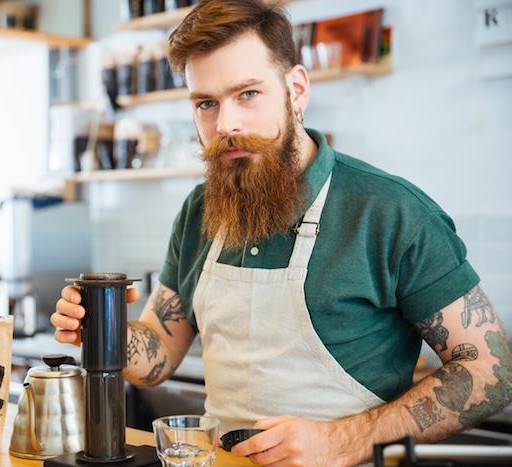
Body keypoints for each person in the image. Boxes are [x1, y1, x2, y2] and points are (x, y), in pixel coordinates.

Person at [52, 1, 512, 465]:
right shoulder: (200, 210)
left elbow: (491, 371)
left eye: (247, 94)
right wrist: (100, 330)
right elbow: (158, 356)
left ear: (296, 89)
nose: (226, 124)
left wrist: (343, 441)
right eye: (205, 103)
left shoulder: (389, 212)